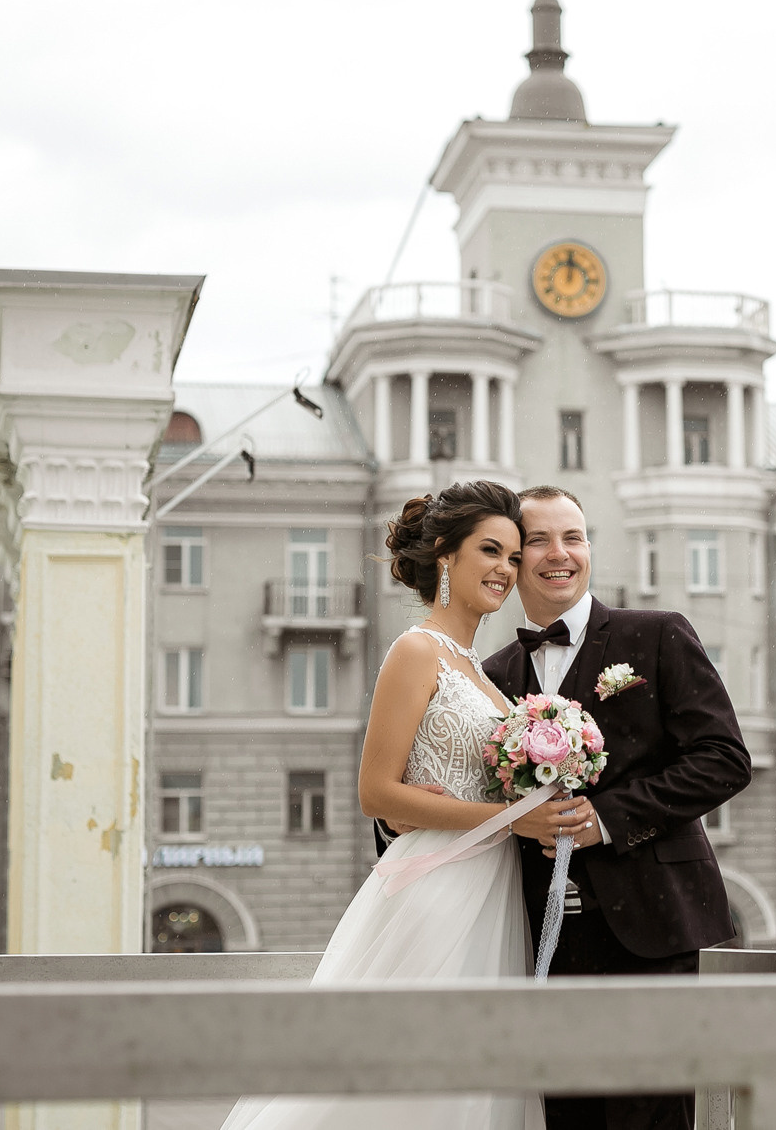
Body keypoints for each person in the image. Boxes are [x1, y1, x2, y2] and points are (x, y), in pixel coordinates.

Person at [219, 480, 577, 1130]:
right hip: (436, 890)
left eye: (512, 554)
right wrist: (511, 817)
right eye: (490, 550)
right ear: (446, 555)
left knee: (472, 1071)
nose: (506, 567)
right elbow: (376, 793)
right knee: (402, 1077)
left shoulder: (483, 672)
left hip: (493, 892)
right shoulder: (416, 651)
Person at [484, 485, 753, 1130]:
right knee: (569, 1117)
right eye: (542, 540)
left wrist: (607, 819)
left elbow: (723, 757)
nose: (561, 554)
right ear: (515, 559)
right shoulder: (492, 674)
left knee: (649, 1113)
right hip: (544, 942)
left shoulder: (655, 635)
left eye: (574, 537)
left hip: (652, 927)